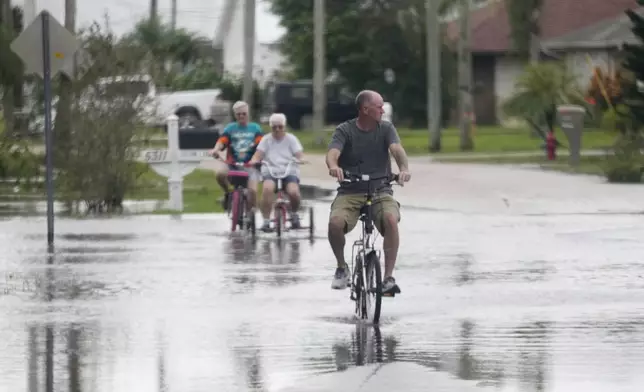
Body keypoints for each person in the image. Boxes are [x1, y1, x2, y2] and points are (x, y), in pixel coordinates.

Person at [325, 90, 411, 295]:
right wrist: (333, 166)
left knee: (390, 219)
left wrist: (404, 169)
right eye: (379, 106)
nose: (383, 109)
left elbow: (397, 150)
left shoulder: (386, 128)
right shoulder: (344, 130)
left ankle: (388, 278)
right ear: (365, 109)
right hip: (350, 190)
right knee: (335, 223)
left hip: (380, 189)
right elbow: (332, 153)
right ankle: (341, 267)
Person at [249, 113, 306, 232]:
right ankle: (266, 220)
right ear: (271, 127)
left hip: (288, 171)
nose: (277, 130)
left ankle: (294, 213)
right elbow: (258, 154)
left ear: (284, 126)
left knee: (294, 192)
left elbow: (299, 154)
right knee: (267, 189)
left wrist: (301, 159)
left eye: (280, 127)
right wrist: (254, 160)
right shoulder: (266, 140)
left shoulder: (291, 139)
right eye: (274, 127)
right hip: (271, 170)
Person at [209, 101, 264, 212]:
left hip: (250, 165)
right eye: (239, 114)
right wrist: (216, 149)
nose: (241, 116)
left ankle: (251, 214)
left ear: (248, 114)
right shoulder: (230, 128)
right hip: (232, 164)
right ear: (235, 115)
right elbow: (222, 141)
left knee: (252, 192)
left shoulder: (255, 128)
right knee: (220, 174)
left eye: (244, 113)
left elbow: (262, 145)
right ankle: (227, 193)